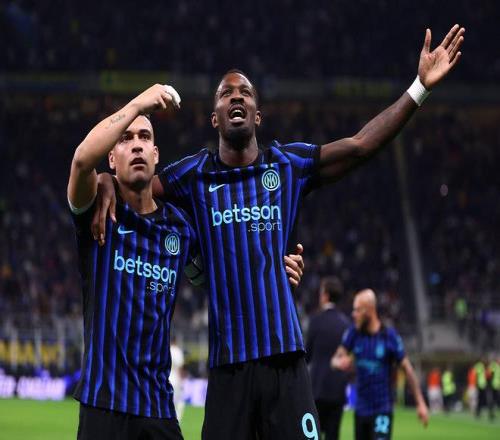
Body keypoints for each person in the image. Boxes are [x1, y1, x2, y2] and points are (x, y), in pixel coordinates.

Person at [95, 25, 464, 439]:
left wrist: (419, 88)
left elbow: (361, 145)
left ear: (257, 115)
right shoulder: (193, 175)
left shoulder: (287, 166)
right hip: (229, 367)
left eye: (245, 93)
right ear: (215, 118)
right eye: (226, 93)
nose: (236, 96)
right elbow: (138, 186)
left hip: (286, 360)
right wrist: (105, 180)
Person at [67, 83, 306, 439]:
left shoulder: (180, 228)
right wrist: (138, 105)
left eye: (145, 137)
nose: (136, 144)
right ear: (112, 158)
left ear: (156, 155)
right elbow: (82, 161)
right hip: (103, 406)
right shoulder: (98, 213)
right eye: (125, 138)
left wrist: (277, 272)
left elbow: (225, 266)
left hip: (158, 410)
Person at [332, 289, 429, 440]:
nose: (353, 314)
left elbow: (407, 368)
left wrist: (420, 403)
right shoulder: (353, 333)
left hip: (382, 410)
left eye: (357, 310)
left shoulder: (389, 336)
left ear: (369, 310)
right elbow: (334, 360)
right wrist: (339, 362)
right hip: (361, 410)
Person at [305, 277, 350, 440]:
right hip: (337, 390)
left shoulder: (315, 321)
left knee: (313, 435)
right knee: (333, 435)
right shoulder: (345, 323)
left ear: (325, 295)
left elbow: (307, 355)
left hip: (317, 389)